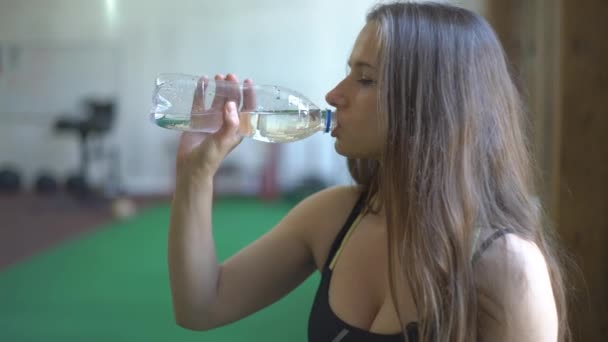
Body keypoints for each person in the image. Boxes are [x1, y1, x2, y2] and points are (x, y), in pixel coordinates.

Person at [167, 2, 570, 341]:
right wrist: (194, 177)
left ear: (430, 104)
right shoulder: (332, 217)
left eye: (365, 79)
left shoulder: (507, 269)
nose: (332, 95)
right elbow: (201, 306)